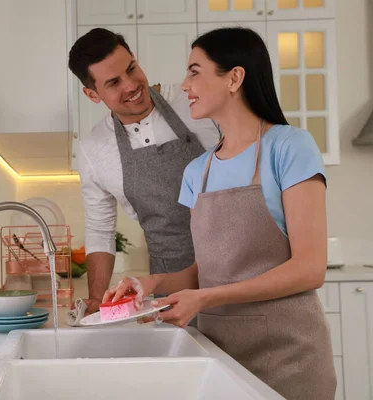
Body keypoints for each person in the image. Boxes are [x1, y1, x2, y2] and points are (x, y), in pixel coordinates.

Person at [103, 27, 336, 400]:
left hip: (288, 356)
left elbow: (310, 268)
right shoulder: (198, 171)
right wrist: (152, 284)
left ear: (235, 77)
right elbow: (205, 271)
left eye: (195, 71)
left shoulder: (290, 148)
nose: (184, 84)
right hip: (217, 355)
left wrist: (207, 299)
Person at [68, 28, 221, 316]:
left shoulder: (194, 101)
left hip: (232, 265)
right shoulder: (94, 149)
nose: (131, 85)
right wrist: (97, 300)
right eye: (113, 82)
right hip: (170, 285)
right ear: (92, 94)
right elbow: (101, 230)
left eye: (132, 68)